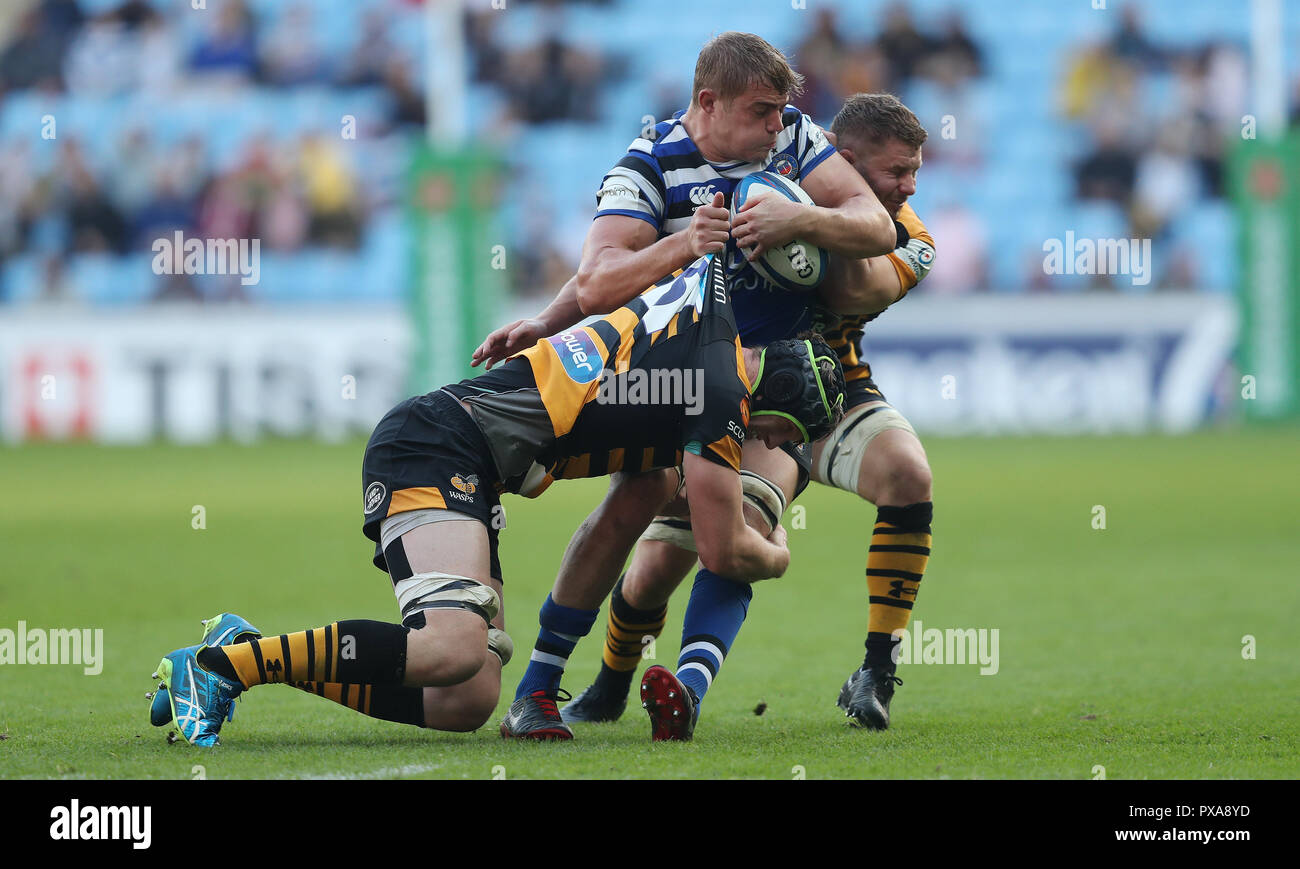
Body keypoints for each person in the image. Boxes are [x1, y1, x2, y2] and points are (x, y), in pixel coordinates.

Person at [147, 253, 846, 746]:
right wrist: (777, 553)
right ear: (779, 397)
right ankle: (219, 668)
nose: (770, 446)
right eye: (783, 434)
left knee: (467, 696)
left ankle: (247, 647)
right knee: (450, 648)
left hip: (471, 464)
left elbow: (638, 494)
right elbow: (724, 547)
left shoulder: (702, 328)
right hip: (437, 443)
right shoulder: (725, 395)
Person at [476, 34, 897, 740]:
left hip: (776, 389)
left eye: (780, 111)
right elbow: (601, 278)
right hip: (672, 377)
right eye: (761, 110)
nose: (775, 124)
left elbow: (875, 225)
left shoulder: (794, 139)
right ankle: (541, 688)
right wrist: (665, 254)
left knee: (738, 526)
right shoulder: (649, 163)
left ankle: (686, 690)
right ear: (708, 103)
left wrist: (801, 217)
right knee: (631, 509)